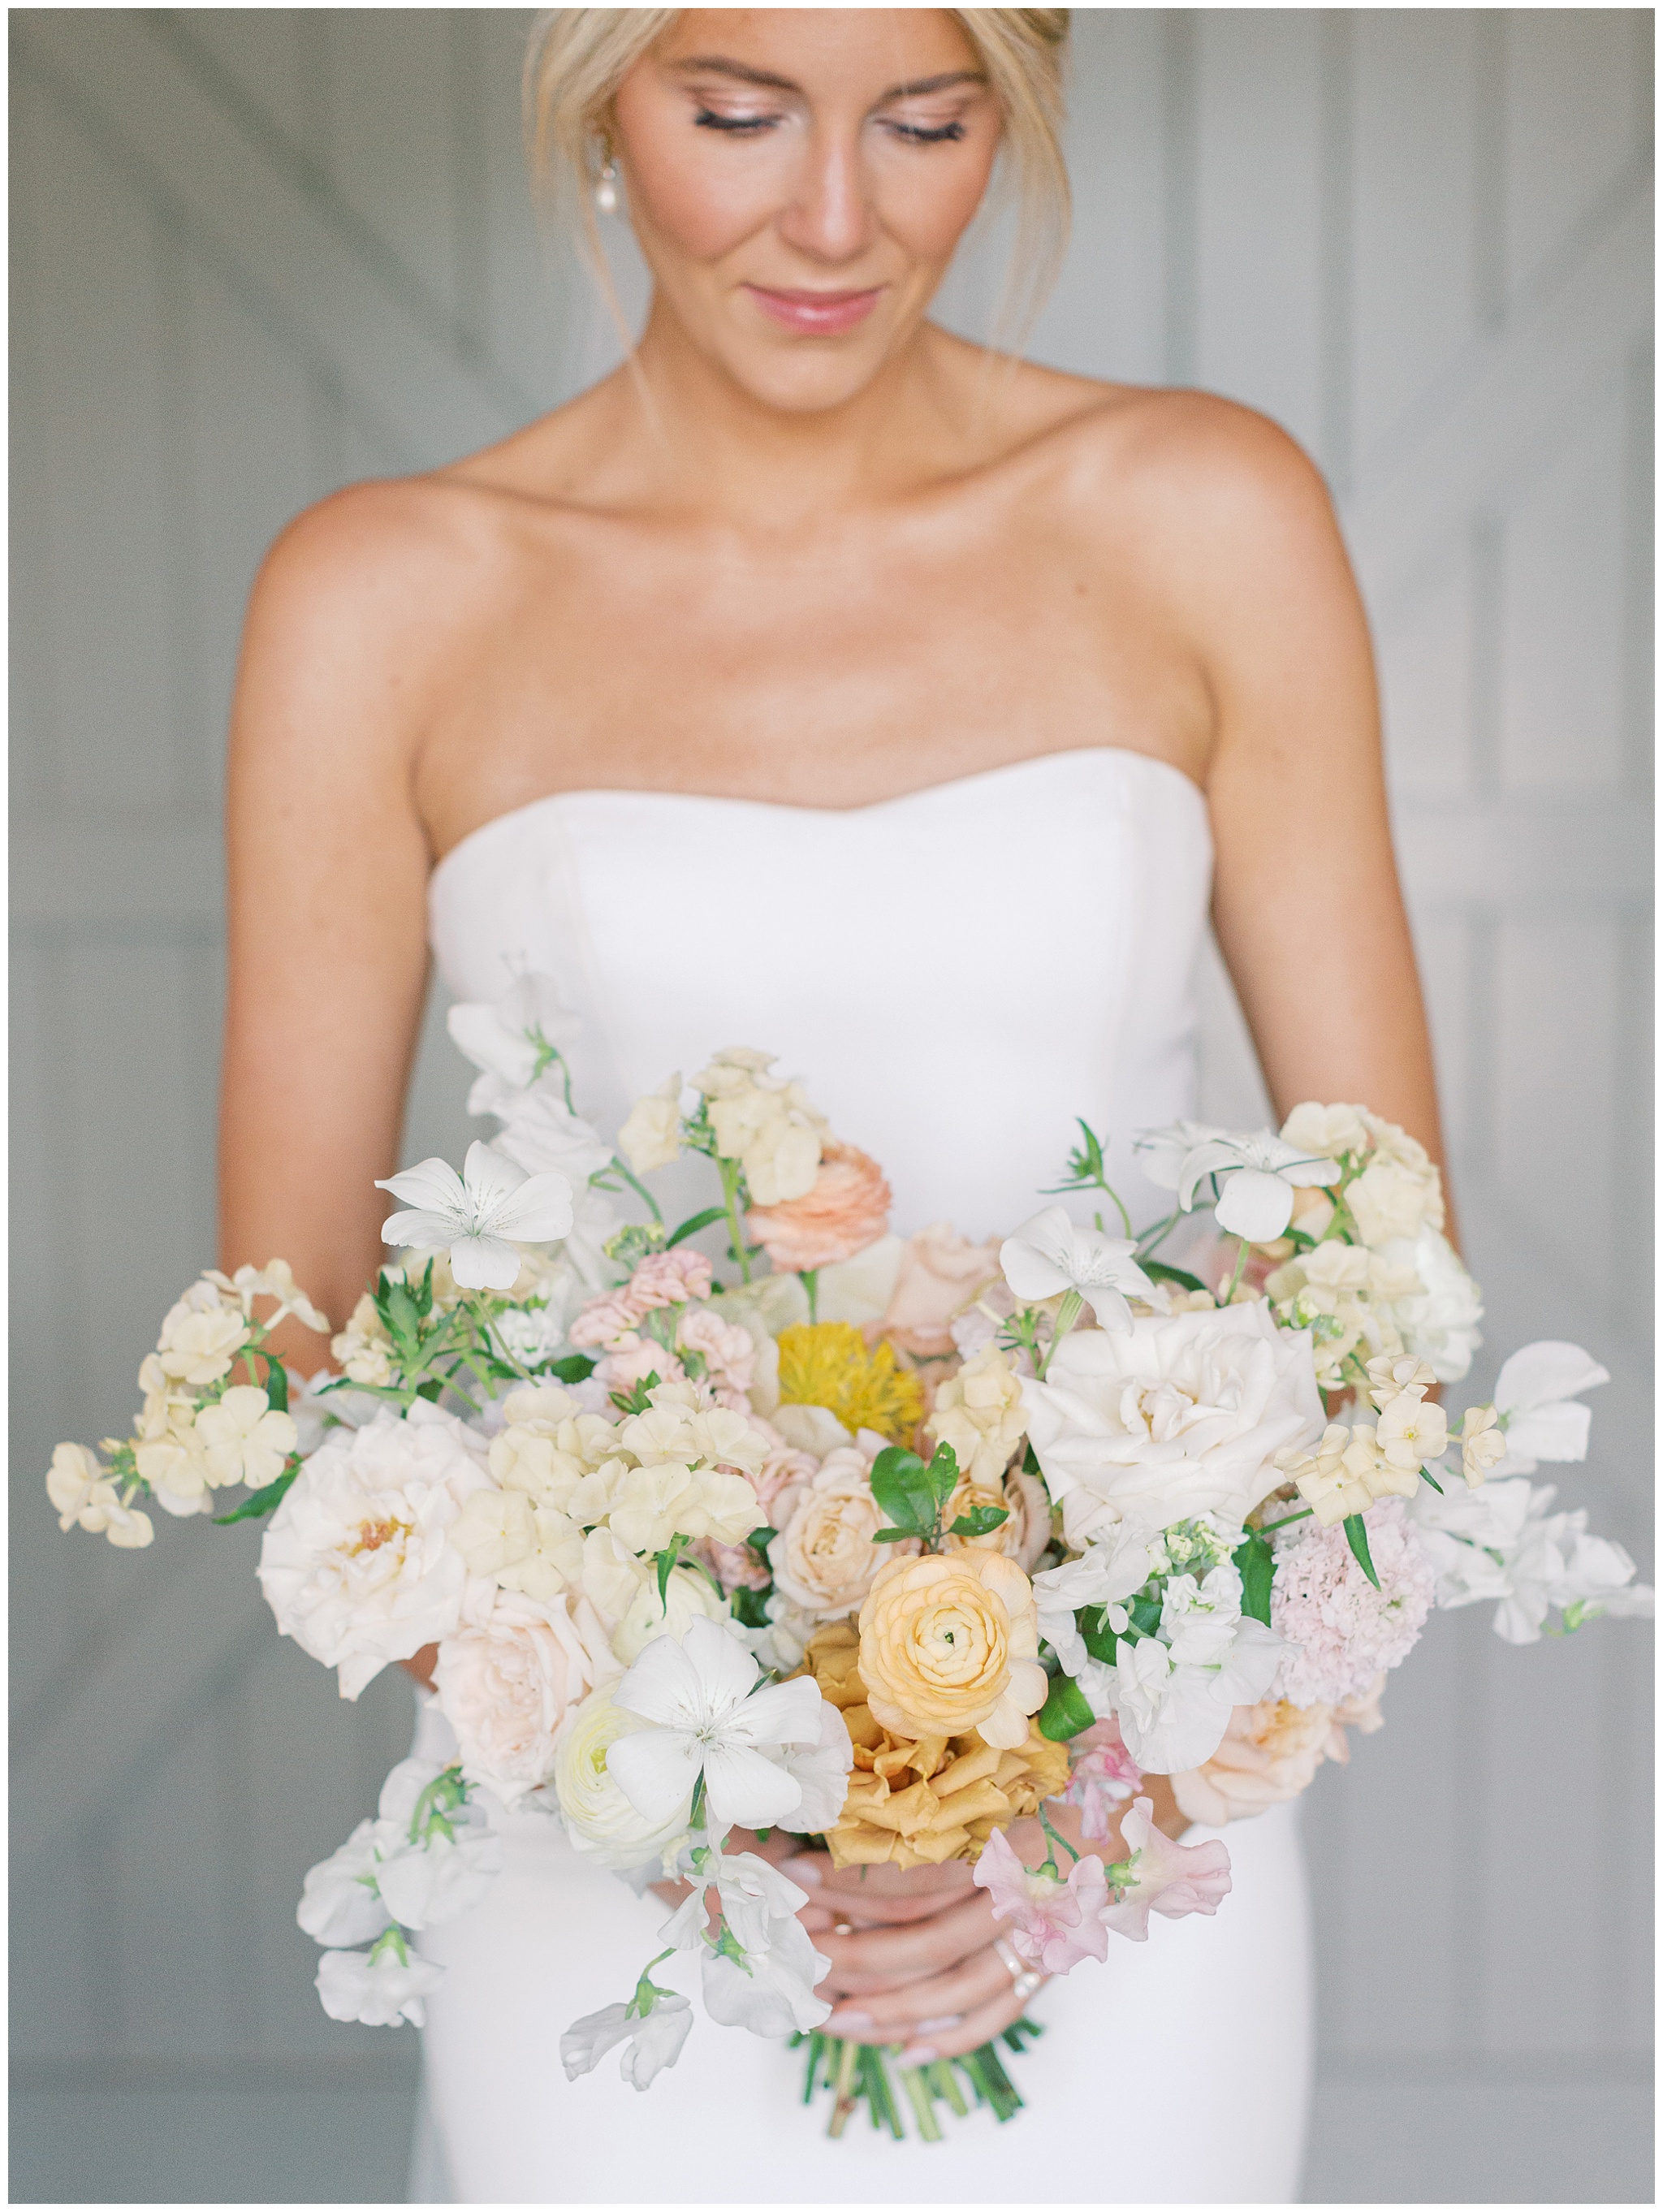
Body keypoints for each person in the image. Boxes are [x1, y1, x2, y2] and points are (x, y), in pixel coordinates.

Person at [218, 10, 1448, 2200]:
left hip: (1127, 1854)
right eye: (738, 113)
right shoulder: (380, 598)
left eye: (928, 120)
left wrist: (1079, 1795)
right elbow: (288, 1351)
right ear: (603, 98)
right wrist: (678, 1781)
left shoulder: (1207, 516)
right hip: (609, 1862)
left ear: (1019, 110)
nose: (834, 218)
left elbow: (1382, 1267)